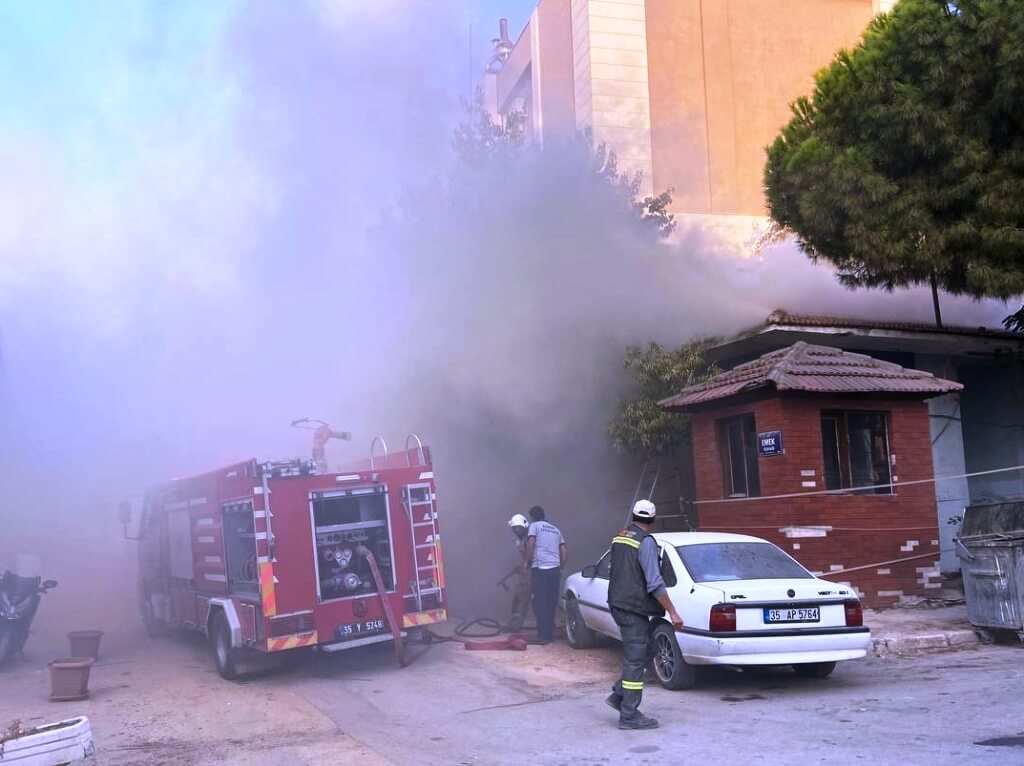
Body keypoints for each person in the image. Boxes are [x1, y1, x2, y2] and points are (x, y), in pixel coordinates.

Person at [606, 499, 683, 730]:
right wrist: (673, 612)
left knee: (645, 650)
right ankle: (629, 715)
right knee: (635, 659)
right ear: (653, 520)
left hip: (619, 604)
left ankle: (618, 696)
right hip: (632, 607)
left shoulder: (620, 537)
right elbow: (655, 582)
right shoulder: (646, 542)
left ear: (633, 516)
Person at [523, 505, 566, 644]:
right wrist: (560, 566)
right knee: (551, 602)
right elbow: (564, 550)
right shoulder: (556, 529)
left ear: (533, 517)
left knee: (540, 602)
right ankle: (549, 634)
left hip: (540, 568)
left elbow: (531, 542)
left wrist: (527, 561)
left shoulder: (534, 526)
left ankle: (543, 636)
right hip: (554, 570)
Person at [505, 513, 532, 632]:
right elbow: (524, 556)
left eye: (519, 528)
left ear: (525, 527)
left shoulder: (531, 537)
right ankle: (515, 624)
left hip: (534, 572)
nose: (517, 530)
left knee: (525, 598)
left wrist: (525, 566)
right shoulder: (519, 540)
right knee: (519, 598)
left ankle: (546, 626)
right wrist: (521, 566)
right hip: (527, 571)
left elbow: (531, 556)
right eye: (515, 528)